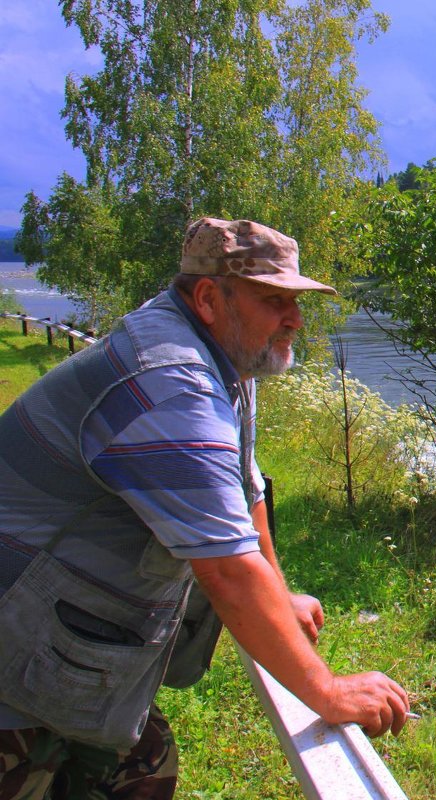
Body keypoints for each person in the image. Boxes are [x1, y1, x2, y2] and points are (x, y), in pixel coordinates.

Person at [0, 218, 410, 799]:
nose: (294, 319)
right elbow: (225, 568)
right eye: (274, 300)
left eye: (295, 301)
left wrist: (280, 592)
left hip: (51, 635)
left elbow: (245, 492)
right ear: (210, 298)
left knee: (145, 762)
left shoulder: (226, 357)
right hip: (11, 655)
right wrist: (328, 691)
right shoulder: (172, 379)